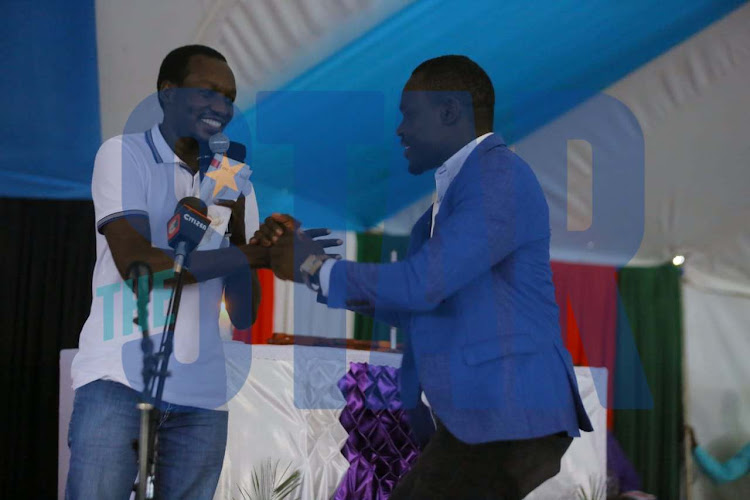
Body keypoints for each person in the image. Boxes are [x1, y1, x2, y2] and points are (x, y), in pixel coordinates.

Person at [253, 55, 593, 499]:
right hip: (486, 417)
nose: (399, 130)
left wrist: (316, 267)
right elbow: (414, 306)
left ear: (450, 111)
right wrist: (311, 270)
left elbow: (420, 283)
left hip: (510, 410)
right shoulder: (441, 209)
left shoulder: (498, 174)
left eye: (409, 114)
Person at [66, 45, 336, 499]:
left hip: (202, 394)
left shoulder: (235, 182)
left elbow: (246, 311)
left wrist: (237, 235)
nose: (222, 107)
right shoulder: (124, 155)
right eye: (208, 92)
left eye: (228, 97)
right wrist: (250, 255)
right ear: (168, 94)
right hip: (117, 377)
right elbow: (137, 266)